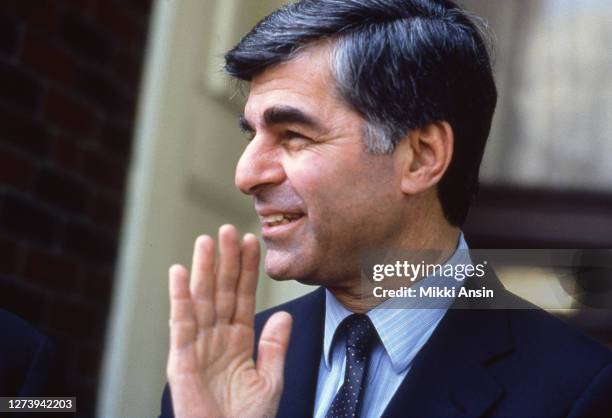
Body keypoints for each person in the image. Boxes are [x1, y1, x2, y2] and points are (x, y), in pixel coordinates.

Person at [160, 0, 612, 417]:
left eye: (293, 135)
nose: (246, 174)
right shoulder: (223, 365)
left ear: (421, 157)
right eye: (251, 134)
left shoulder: (578, 391)